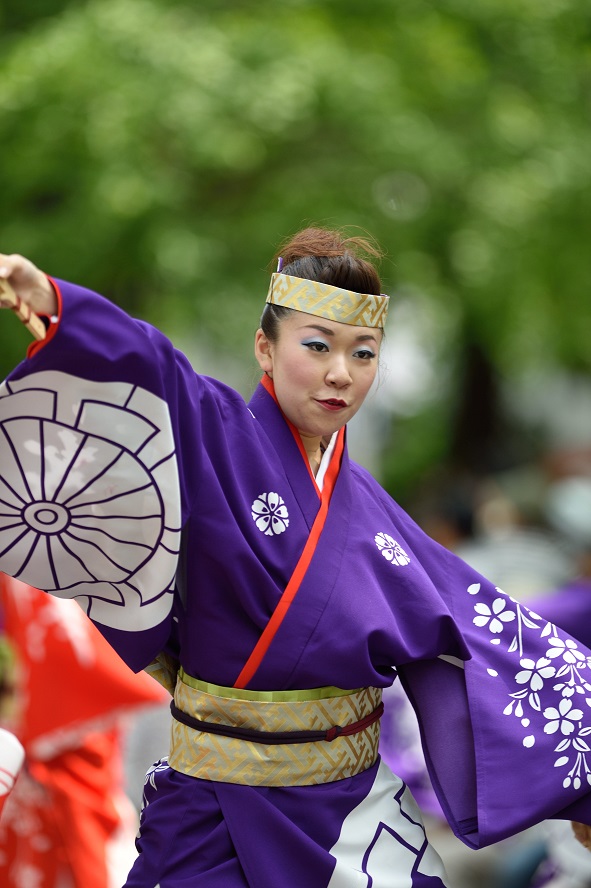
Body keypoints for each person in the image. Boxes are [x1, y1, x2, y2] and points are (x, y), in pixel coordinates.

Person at [1, 227, 591, 887]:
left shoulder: (366, 508)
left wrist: (581, 777)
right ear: (265, 347)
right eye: (316, 346)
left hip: (351, 815)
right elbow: (153, 362)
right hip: (212, 809)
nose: (341, 373)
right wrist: (54, 300)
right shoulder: (217, 434)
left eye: (362, 353)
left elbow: (479, 623)